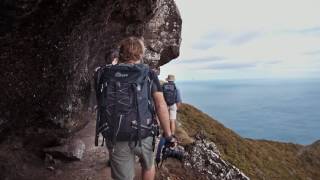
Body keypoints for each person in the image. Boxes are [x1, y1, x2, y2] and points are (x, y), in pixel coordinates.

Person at [95, 37, 174, 180]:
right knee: (148, 166)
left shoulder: (107, 73)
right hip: (143, 132)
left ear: (120, 53)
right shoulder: (148, 73)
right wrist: (168, 134)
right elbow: (160, 104)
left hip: (115, 133)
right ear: (141, 54)